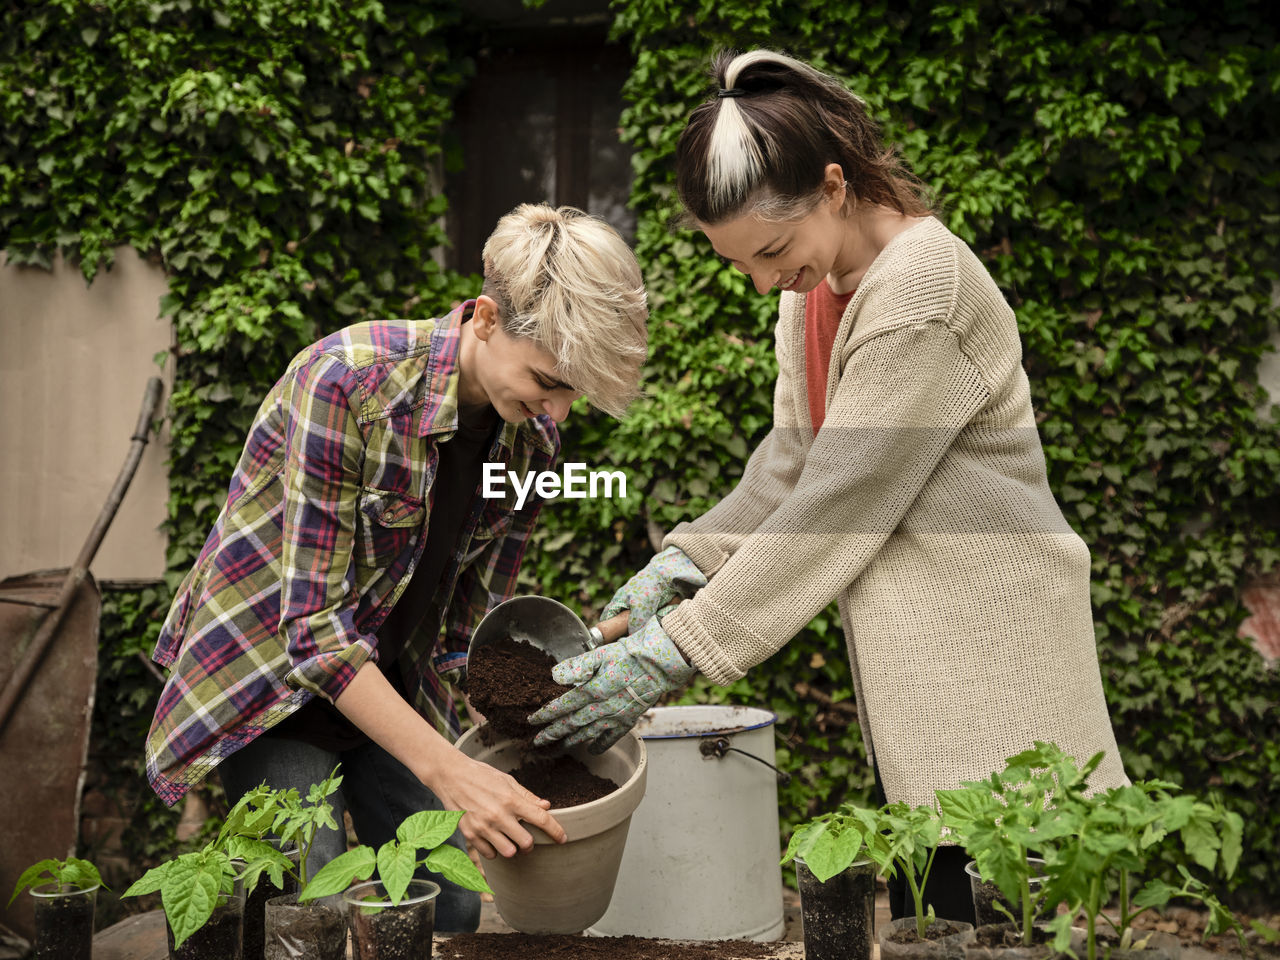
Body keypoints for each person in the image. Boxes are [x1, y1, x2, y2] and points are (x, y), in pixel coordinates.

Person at [531, 50, 1129, 922]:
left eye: (773, 249)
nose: (765, 279)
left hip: (996, 661)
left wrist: (676, 651)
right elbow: (791, 464)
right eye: (742, 264)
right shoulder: (807, 296)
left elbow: (839, 500)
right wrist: (681, 564)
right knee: (944, 913)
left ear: (836, 187)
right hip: (922, 674)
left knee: (1009, 919)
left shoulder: (923, 288)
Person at [143, 203, 649, 931]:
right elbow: (313, 632)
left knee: (449, 905)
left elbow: (465, 635)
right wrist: (453, 773)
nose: (558, 413)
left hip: (390, 686)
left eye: (574, 393)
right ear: (483, 318)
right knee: (306, 910)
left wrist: (520, 732)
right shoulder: (346, 383)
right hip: (271, 684)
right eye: (548, 379)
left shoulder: (532, 443)